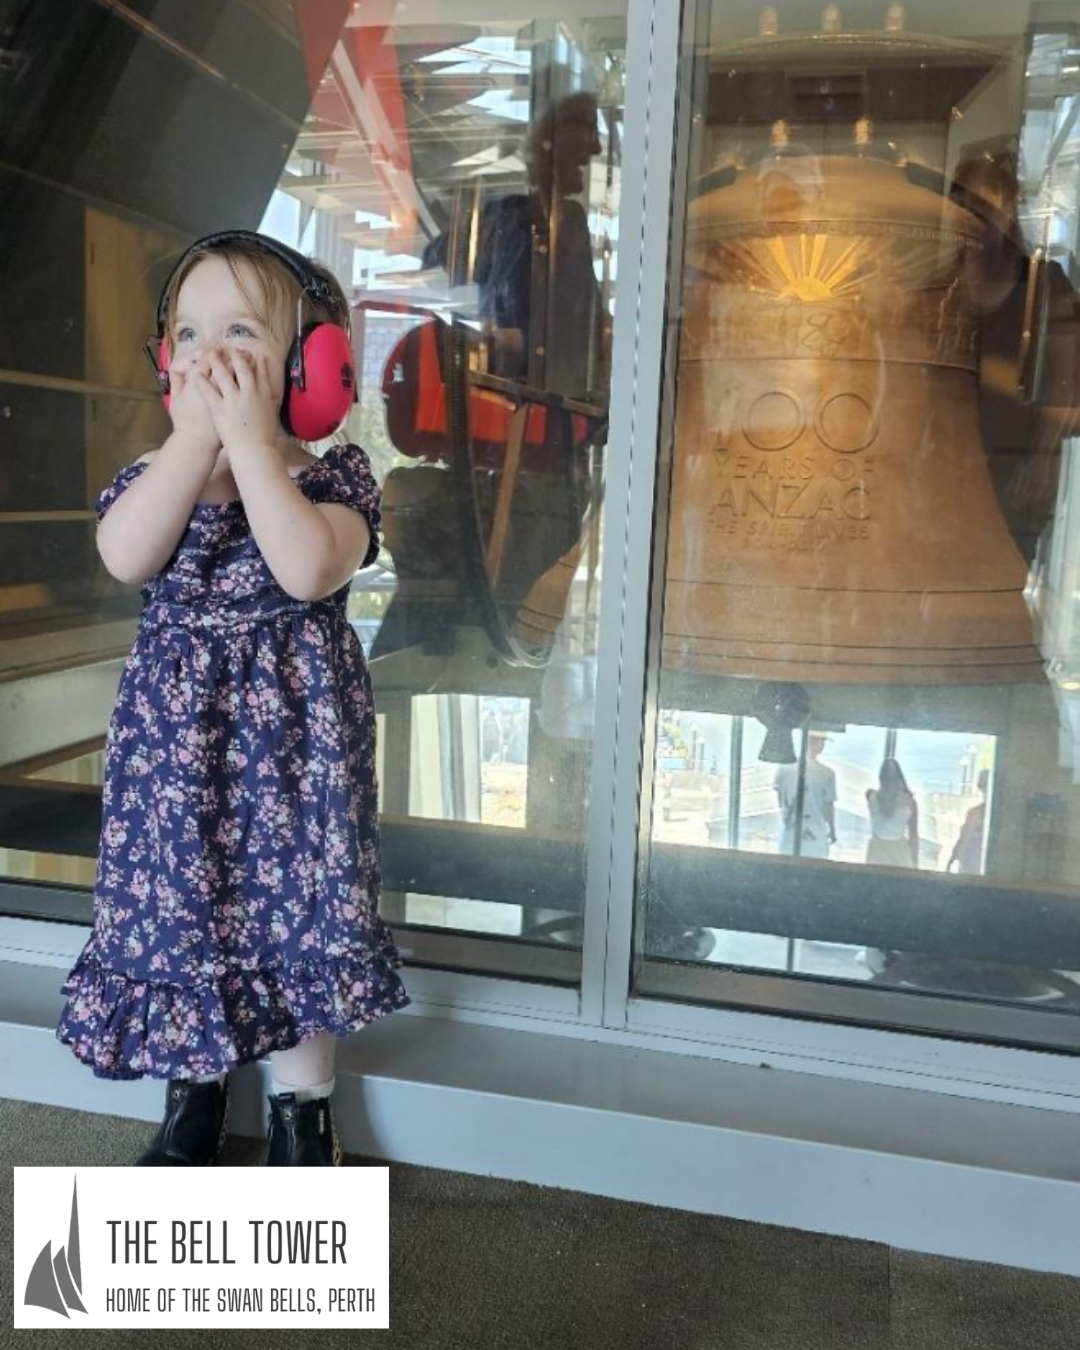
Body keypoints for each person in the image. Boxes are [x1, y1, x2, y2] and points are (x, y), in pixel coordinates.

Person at [54, 230, 411, 1167]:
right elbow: (126, 555)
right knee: (184, 917)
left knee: (298, 920)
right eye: (191, 332)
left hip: (294, 762)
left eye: (243, 332)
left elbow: (304, 570)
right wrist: (194, 443)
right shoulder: (157, 477)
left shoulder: (333, 482)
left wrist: (253, 445)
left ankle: (304, 1116)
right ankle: (193, 1101)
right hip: (177, 763)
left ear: (308, 365)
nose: (212, 355)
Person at [773, 731, 837, 860]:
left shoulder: (784, 768)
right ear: (814, 742)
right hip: (815, 832)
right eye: (822, 742)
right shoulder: (827, 773)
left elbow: (779, 798)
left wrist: (786, 815)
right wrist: (832, 829)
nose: (823, 746)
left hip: (789, 831)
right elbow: (828, 806)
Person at [865, 757, 919, 869]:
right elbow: (913, 834)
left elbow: (913, 835)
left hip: (877, 849)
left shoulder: (871, 796)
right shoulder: (909, 802)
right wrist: (915, 862)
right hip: (900, 850)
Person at [948, 768, 990, 875]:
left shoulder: (976, 813)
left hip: (971, 865)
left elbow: (964, 840)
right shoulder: (1001, 814)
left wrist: (951, 861)